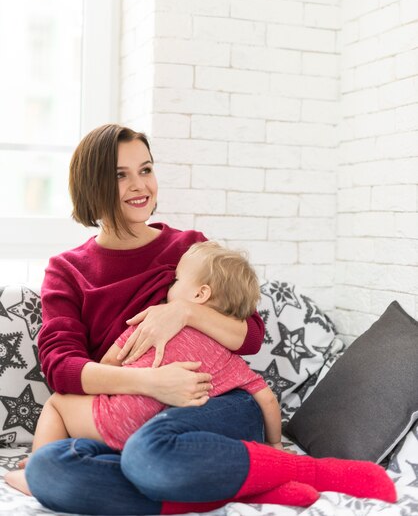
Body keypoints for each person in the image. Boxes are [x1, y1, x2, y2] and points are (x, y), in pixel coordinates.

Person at [12, 124, 395, 515]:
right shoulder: (67, 270)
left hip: (216, 405)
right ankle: (242, 488)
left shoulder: (189, 248)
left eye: (146, 169)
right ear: (92, 184)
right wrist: (151, 383)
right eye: (119, 175)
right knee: (48, 472)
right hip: (124, 417)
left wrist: (184, 310)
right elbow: (62, 368)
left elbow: (250, 336)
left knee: (148, 453)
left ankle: (308, 471)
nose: (140, 185)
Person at [6, 241, 284, 496]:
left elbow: (108, 363)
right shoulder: (227, 357)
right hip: (166, 436)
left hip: (119, 420)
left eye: (175, 281)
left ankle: (36, 472)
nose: (168, 289)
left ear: (201, 293)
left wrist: (183, 313)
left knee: (58, 403)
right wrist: (275, 445)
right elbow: (267, 399)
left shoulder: (149, 322)